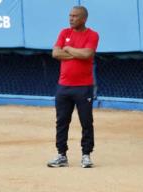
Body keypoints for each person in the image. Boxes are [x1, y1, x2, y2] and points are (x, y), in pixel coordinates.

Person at [48, 6, 99, 169]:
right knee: (62, 121)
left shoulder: (92, 35)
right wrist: (77, 53)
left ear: (83, 19)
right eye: (70, 16)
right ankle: (61, 155)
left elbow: (87, 55)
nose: (71, 19)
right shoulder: (64, 33)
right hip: (63, 87)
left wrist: (69, 49)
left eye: (75, 16)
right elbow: (55, 54)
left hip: (84, 87)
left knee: (86, 121)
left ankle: (86, 155)